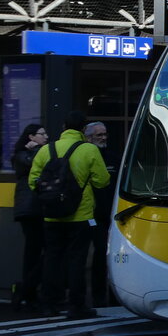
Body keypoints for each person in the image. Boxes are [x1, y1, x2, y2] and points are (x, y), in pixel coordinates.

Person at [29, 110, 110, 320]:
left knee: (52, 258)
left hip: (52, 215)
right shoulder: (89, 150)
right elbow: (102, 181)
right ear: (83, 129)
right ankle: (77, 306)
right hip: (81, 215)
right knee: (77, 261)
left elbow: (33, 181)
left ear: (64, 128)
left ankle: (49, 304)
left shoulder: (46, 149)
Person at [10, 123, 48, 311]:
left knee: (34, 252)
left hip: (34, 208)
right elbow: (36, 164)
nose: (46, 137)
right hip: (30, 208)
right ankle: (27, 290)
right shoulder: (22, 155)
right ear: (31, 137)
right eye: (42, 134)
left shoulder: (29, 153)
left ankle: (26, 290)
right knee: (39, 250)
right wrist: (35, 150)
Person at [85, 121, 120, 308]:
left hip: (114, 213)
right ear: (89, 138)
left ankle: (115, 296)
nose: (103, 138)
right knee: (99, 255)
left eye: (104, 134)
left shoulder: (113, 157)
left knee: (114, 256)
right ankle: (98, 296)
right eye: (99, 135)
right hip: (94, 214)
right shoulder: (86, 157)